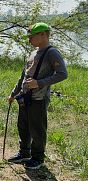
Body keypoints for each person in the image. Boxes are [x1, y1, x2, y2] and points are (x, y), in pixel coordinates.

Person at [7, 22, 68, 169]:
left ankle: (38, 158)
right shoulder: (33, 53)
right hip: (24, 97)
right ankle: (24, 153)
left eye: (31, 36)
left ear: (43, 34)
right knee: (23, 126)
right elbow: (24, 75)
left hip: (39, 99)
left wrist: (39, 83)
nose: (29, 40)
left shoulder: (52, 52)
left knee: (37, 129)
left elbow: (62, 74)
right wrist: (14, 93)